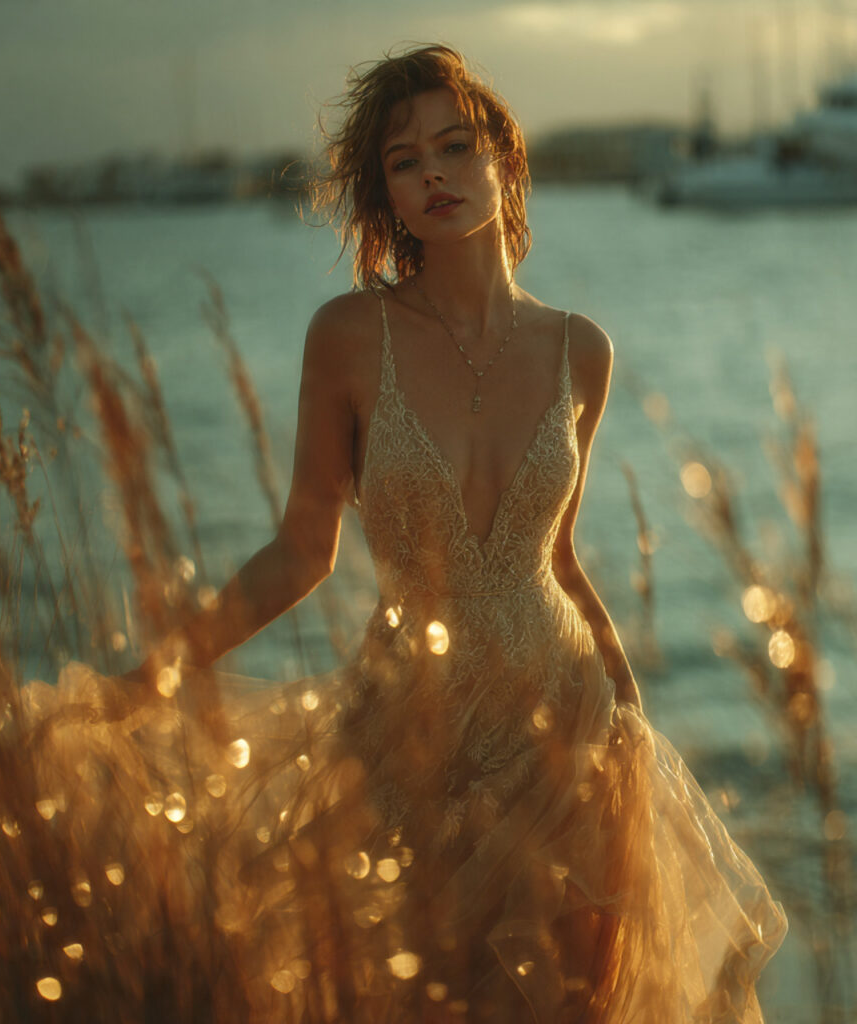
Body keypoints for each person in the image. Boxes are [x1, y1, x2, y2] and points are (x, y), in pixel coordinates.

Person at [133, 44, 786, 1022]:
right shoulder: (350, 336)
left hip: (567, 726)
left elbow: (556, 560)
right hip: (413, 729)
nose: (432, 172)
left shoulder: (581, 349)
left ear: (503, 162)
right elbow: (303, 551)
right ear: (383, 194)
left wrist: (628, 725)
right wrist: (168, 664)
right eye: (403, 160)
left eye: (454, 145)